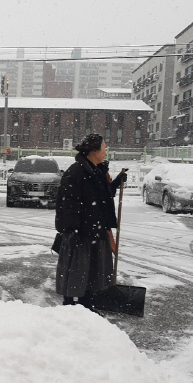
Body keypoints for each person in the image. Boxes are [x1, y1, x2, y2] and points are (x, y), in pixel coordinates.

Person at [54, 133, 127, 312]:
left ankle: (87, 306)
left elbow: (103, 194)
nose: (106, 151)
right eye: (104, 148)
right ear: (94, 151)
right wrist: (71, 230)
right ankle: (69, 306)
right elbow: (68, 204)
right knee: (76, 270)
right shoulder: (76, 172)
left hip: (96, 229)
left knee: (92, 271)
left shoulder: (96, 170)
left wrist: (117, 182)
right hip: (82, 231)